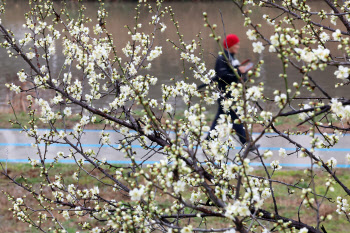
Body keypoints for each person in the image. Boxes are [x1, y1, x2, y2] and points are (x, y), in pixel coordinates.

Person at [207, 34, 256, 149]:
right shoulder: (222, 58)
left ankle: (208, 141)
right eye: (236, 44)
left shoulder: (232, 58)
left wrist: (243, 73)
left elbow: (236, 75)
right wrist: (238, 70)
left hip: (231, 94)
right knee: (235, 118)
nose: (238, 47)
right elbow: (223, 75)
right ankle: (247, 143)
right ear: (231, 45)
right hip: (225, 95)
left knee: (221, 118)